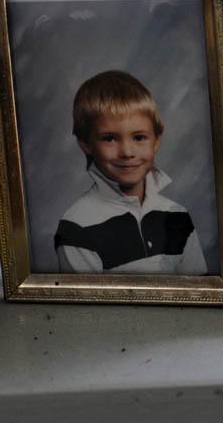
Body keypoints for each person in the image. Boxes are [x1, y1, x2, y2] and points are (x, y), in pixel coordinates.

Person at [54, 70, 206, 275]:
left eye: (139, 137)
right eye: (109, 138)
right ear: (86, 144)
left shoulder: (177, 216)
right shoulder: (77, 226)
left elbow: (200, 288)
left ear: (156, 141)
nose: (127, 152)